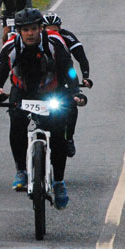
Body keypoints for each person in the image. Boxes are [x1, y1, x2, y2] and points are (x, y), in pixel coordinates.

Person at [0, 8, 86, 210]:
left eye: (34, 29)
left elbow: (68, 70)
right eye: (25, 30)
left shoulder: (54, 43)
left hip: (51, 90)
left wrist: (74, 91)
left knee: (58, 134)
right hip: (22, 90)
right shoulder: (10, 47)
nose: (30, 33)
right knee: (16, 123)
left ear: (41, 28)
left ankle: (59, 183)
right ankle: (21, 171)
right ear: (19, 31)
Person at [42, 12, 93, 158]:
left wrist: (85, 77)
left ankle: (69, 137)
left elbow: (81, 58)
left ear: (60, 28)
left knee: (71, 106)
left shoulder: (67, 37)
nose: (52, 33)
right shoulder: (37, 39)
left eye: (55, 30)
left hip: (64, 74)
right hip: (43, 78)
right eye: (48, 30)